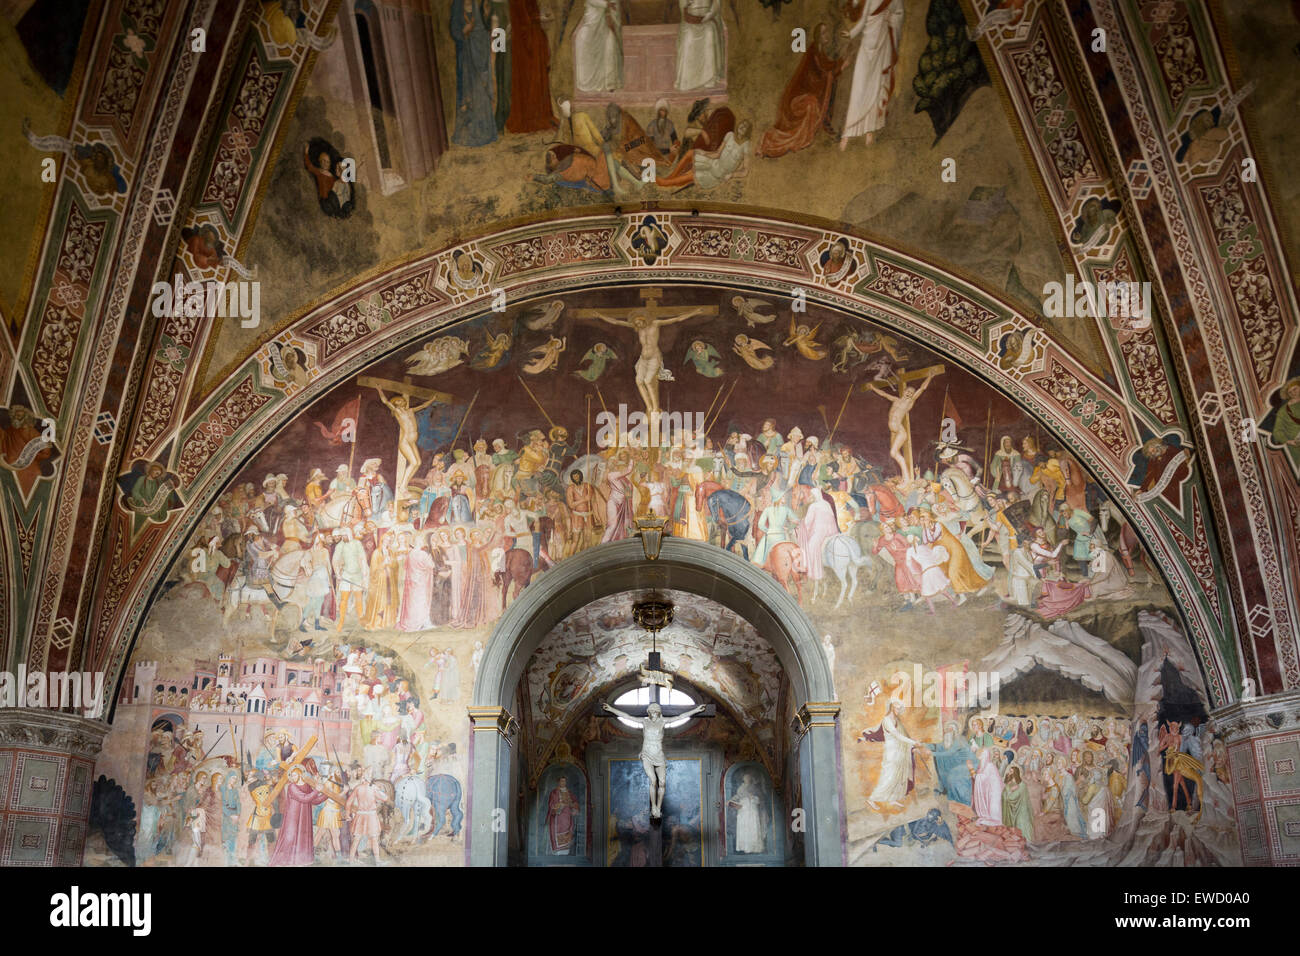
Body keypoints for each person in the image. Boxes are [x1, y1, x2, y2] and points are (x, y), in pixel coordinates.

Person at [839, 0, 904, 149]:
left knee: (877, 87)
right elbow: (862, 22)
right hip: (867, 45)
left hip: (883, 44)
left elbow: (899, 14)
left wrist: (892, 19)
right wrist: (850, 34)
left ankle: (870, 130)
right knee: (859, 89)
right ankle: (848, 131)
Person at [674, 0, 724, 91]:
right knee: (688, 40)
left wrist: (709, 15)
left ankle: (709, 79)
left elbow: (716, 3)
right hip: (691, 23)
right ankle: (687, 81)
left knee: (710, 34)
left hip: (707, 22)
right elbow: (683, 7)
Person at [574, 0, 623, 92]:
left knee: (610, 48)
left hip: (604, 29)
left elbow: (613, 6)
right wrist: (607, 5)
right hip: (593, 28)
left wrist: (609, 9)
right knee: (584, 43)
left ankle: (610, 83)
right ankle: (595, 83)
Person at [545, 775, 580, 854]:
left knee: (568, 833)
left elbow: (575, 802)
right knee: (558, 832)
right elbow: (551, 805)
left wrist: (574, 807)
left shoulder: (569, 792)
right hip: (558, 817)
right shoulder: (554, 792)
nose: (563, 782)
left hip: (567, 817)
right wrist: (559, 805)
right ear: (558, 782)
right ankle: (558, 852)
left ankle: (565, 852)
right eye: (561, 781)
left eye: (564, 781)